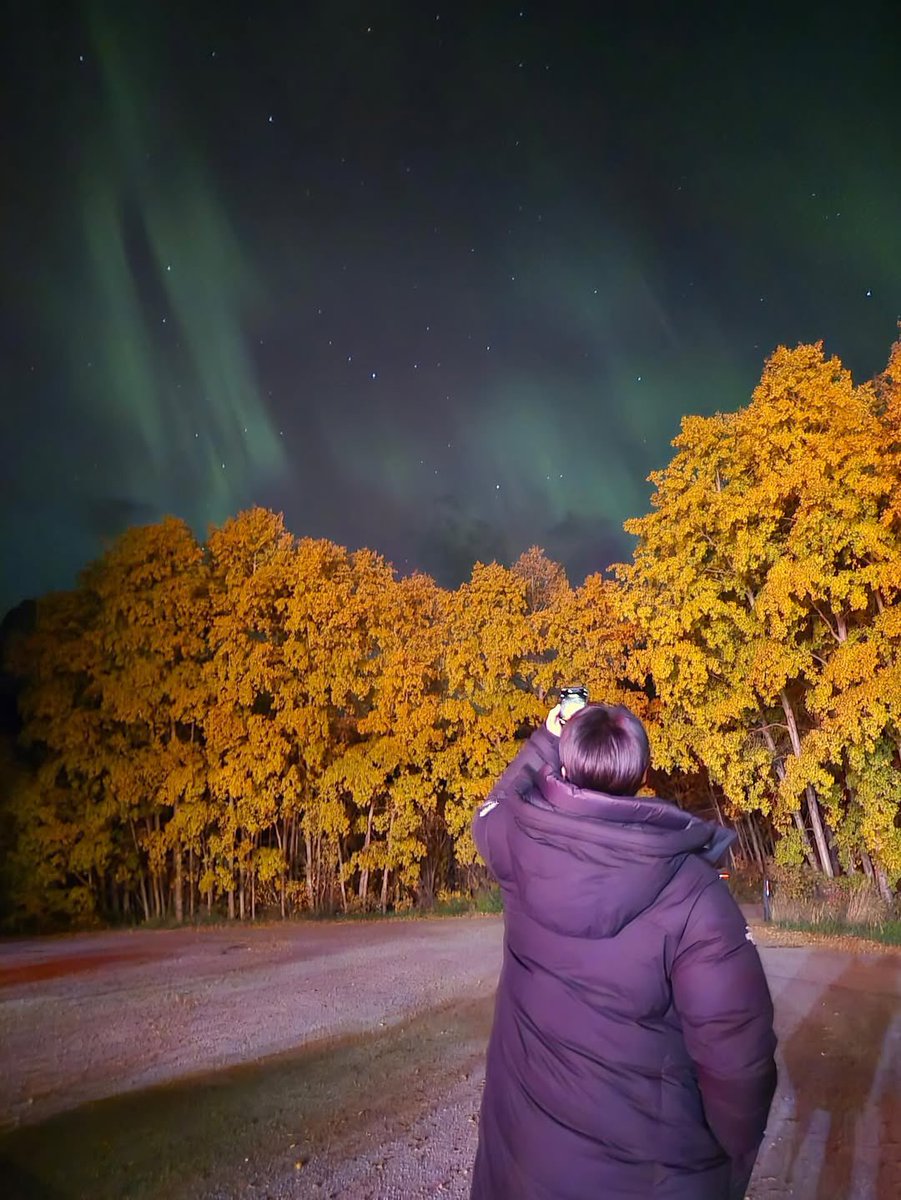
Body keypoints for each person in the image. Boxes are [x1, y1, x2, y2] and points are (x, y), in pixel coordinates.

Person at [470, 702, 777, 1200]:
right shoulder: (693, 890)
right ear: (639, 775)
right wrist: (730, 1161)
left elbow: (494, 805)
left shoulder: (518, 841)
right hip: (647, 1175)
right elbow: (738, 1059)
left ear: (566, 767)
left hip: (522, 1160)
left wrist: (545, 739)